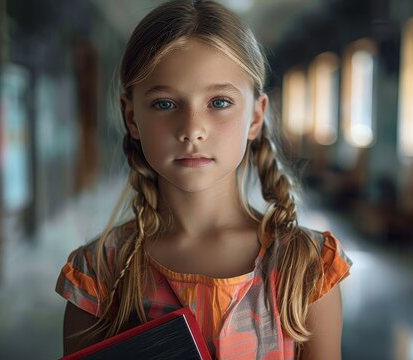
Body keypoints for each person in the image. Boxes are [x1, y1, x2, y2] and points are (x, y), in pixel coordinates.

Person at [55, 0, 353, 358]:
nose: (193, 129)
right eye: (165, 103)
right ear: (131, 117)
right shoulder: (99, 273)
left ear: (256, 117)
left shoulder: (307, 268)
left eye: (219, 102)